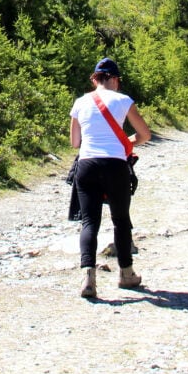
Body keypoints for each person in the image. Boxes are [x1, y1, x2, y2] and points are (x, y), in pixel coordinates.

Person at [69, 57, 152, 299]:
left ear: (95, 79)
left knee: (89, 222)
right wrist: (127, 144)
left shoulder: (80, 102)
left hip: (86, 165)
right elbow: (144, 134)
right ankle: (126, 274)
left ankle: (88, 277)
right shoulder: (124, 101)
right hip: (115, 165)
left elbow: (75, 142)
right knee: (120, 220)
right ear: (114, 79)